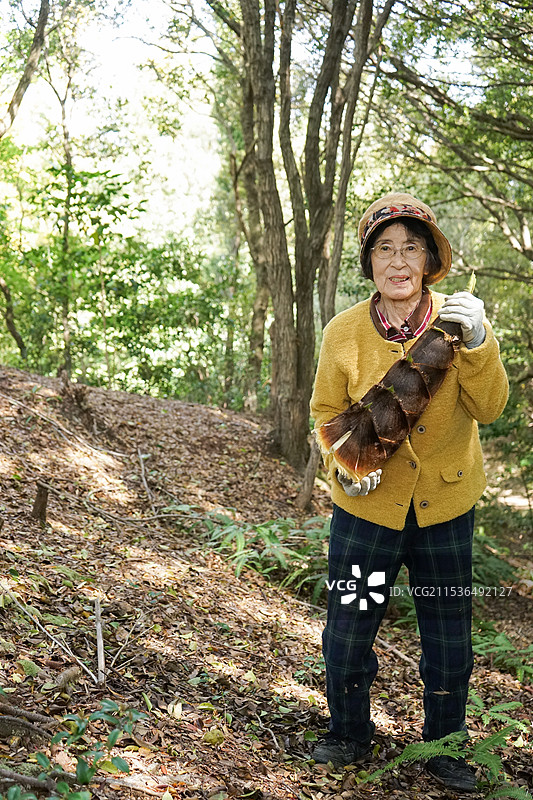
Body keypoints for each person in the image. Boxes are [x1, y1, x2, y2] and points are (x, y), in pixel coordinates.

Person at [309, 193, 508, 792]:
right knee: (349, 628)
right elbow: (324, 412)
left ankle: (445, 747)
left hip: (444, 509)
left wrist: (479, 344)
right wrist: (343, 466)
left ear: (430, 259)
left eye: (411, 248)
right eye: (385, 249)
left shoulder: (460, 323)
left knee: (447, 636)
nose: (398, 261)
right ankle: (348, 733)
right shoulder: (343, 333)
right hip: (366, 513)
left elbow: (491, 407)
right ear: (369, 262)